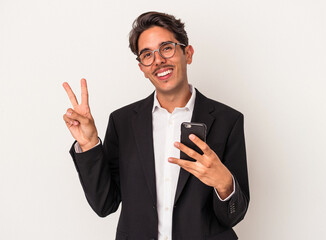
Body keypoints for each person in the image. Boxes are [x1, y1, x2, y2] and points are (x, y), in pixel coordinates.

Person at [63, 11, 249, 240]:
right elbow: (105, 204)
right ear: (142, 68)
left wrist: (224, 184)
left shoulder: (227, 120)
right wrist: (89, 144)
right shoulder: (122, 123)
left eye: (167, 48)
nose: (158, 60)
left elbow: (234, 216)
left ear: (187, 53)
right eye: (147, 55)